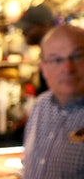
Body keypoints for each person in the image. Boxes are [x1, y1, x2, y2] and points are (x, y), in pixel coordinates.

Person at [23, 24, 84, 178]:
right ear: (43, 68)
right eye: (56, 60)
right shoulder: (40, 106)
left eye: (77, 56)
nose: (68, 68)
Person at [15, 4, 55, 95]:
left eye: (28, 28)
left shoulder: (58, 52)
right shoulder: (46, 51)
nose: (24, 32)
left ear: (45, 25)